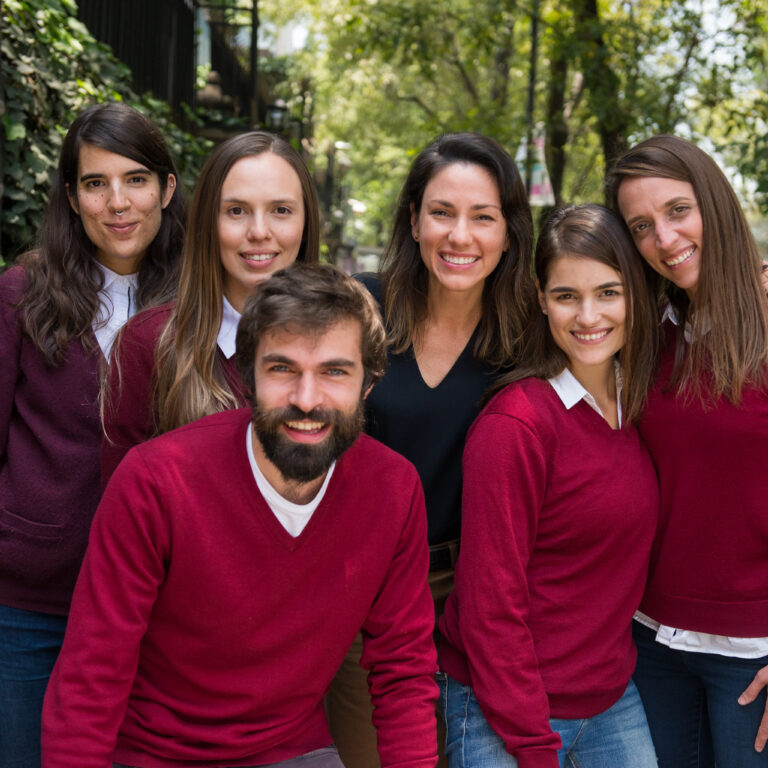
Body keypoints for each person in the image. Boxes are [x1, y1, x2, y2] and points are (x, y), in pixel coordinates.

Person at [41, 263, 438, 768]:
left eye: (334, 372)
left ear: (368, 384)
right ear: (249, 375)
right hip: (152, 752)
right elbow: (91, 673)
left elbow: (402, 671)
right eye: (282, 369)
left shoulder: (394, 489)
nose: (307, 399)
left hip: (291, 750)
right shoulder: (156, 481)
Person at [328, 132, 535, 766]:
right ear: (414, 218)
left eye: (483, 217)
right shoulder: (361, 306)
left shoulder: (531, 335)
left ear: (508, 232)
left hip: (477, 593)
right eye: (442, 212)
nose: (460, 236)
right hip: (363, 583)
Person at [437, 205, 660, 768]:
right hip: (504, 708)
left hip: (611, 697)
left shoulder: (641, 406)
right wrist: (534, 744)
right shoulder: (517, 425)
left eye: (608, 292)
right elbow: (490, 605)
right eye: (567, 296)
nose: (588, 316)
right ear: (540, 297)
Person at [0, 102, 184, 767]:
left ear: (166, 189)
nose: (117, 202)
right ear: (72, 198)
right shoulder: (23, 294)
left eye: (135, 180)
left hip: (154, 609)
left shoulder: (196, 306)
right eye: (94, 183)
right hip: (30, 607)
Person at [608, 134, 768, 768]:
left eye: (678, 211)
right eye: (641, 226)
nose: (665, 239)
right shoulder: (647, 332)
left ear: (715, 204)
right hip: (651, 641)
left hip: (754, 655)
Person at [101, 130, 320, 482]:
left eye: (281, 210)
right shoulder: (149, 343)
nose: (259, 231)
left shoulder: (338, 346)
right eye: (236, 211)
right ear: (208, 222)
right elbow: (123, 506)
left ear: (306, 222)